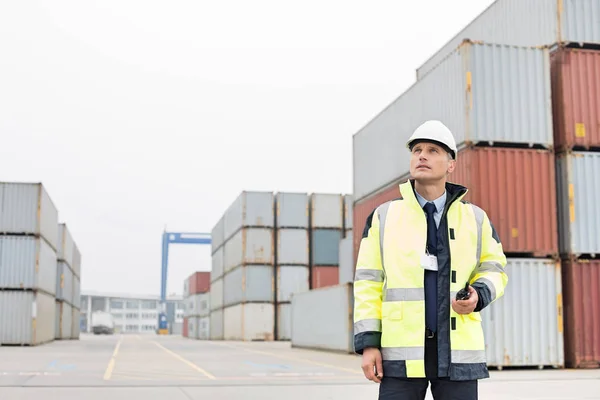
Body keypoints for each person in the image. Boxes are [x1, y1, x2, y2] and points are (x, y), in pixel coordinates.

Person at [352, 120, 508, 400]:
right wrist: (369, 344)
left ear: (451, 164)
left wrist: (478, 294)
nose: (422, 155)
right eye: (417, 150)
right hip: (400, 357)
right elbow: (368, 283)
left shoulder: (475, 218)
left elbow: (494, 268)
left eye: (433, 150)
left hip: (457, 357)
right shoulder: (383, 217)